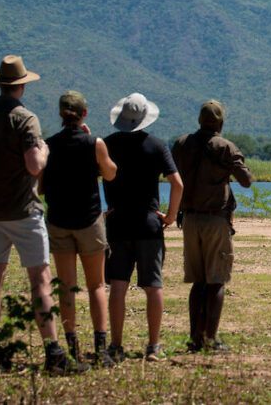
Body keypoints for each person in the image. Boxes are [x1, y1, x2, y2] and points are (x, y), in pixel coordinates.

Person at [0, 55, 85, 374]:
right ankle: (54, 352)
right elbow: (34, 165)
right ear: (21, 86)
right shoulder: (25, 118)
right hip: (24, 211)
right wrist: (44, 150)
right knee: (40, 282)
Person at [40, 90, 118, 367]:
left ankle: (72, 347)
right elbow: (110, 173)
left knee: (67, 286)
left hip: (59, 221)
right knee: (96, 284)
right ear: (84, 113)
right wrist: (93, 142)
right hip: (89, 221)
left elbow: (40, 187)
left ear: (61, 114)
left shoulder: (47, 146)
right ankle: (100, 350)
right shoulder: (94, 143)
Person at [103, 92, 182, 362]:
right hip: (149, 224)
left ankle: (115, 345)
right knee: (153, 286)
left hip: (117, 224)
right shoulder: (157, 146)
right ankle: (153, 346)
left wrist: (104, 209)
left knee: (118, 285)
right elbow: (178, 184)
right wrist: (170, 216)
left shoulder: (107, 145)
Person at [171, 99, 253, 352]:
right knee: (216, 280)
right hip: (216, 220)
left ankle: (195, 338)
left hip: (190, 219)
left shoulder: (181, 145)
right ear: (221, 122)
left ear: (199, 120)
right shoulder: (225, 147)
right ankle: (211, 339)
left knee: (197, 282)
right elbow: (246, 181)